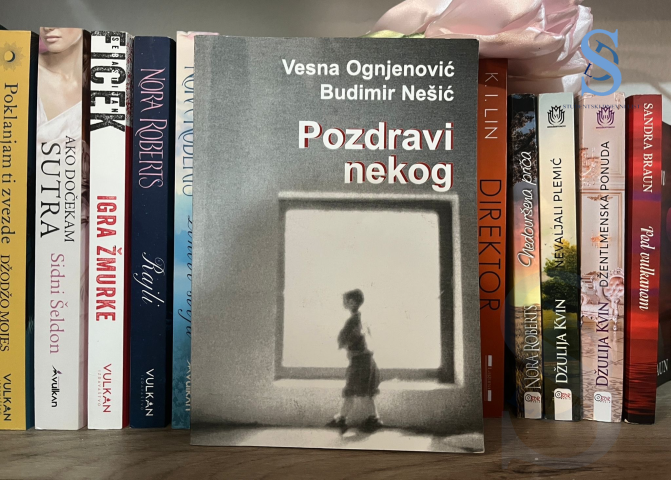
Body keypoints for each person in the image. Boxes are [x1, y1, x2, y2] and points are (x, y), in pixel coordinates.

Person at [327, 289, 383, 433]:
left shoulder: (354, 321)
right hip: (365, 361)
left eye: (345, 301)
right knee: (363, 392)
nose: (344, 303)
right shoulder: (361, 320)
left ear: (352, 302)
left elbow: (345, 339)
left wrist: (345, 343)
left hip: (360, 362)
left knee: (352, 391)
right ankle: (371, 418)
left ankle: (342, 418)